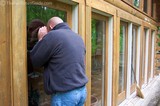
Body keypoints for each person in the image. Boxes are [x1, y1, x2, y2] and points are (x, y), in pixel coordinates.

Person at [29, 17, 88, 106]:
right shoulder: (78, 37)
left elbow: (35, 61)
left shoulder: (53, 35)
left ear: (51, 26)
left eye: (48, 30)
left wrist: (41, 39)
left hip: (65, 95)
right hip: (82, 91)